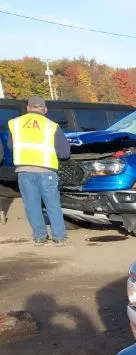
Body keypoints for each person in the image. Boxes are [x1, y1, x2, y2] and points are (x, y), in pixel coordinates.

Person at [8, 96, 71, 246]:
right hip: (46, 171)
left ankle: (39, 237)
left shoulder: (15, 124)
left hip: (24, 171)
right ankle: (59, 238)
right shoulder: (51, 126)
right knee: (52, 204)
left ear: (28, 108)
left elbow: (11, 146)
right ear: (45, 110)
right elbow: (64, 153)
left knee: (32, 205)